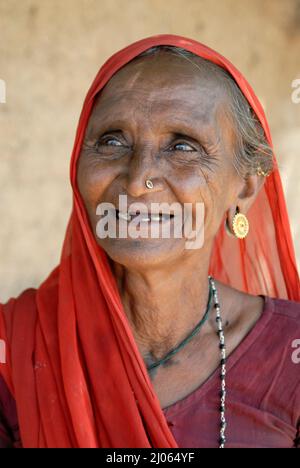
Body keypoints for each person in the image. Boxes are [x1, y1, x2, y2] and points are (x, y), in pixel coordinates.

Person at [0, 34, 299, 448]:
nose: (139, 180)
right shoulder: (16, 348)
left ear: (245, 188)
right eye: (112, 141)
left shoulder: (289, 355)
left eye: (182, 146)